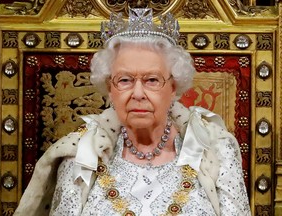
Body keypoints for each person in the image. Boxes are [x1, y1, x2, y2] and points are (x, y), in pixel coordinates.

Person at [14, 8, 251, 216]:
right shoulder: (81, 155)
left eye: (151, 80)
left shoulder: (216, 149)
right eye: (125, 80)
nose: (138, 93)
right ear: (109, 88)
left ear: (174, 87)